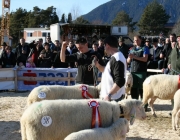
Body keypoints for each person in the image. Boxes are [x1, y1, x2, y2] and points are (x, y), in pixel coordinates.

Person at [99, 35, 127, 101]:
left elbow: (120, 81)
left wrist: (109, 95)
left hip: (113, 99)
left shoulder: (117, 58)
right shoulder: (117, 57)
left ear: (107, 45)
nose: (104, 48)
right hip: (112, 98)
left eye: (104, 46)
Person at [127, 35, 149, 103]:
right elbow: (128, 61)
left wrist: (134, 56)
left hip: (141, 71)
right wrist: (129, 58)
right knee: (133, 88)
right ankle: (134, 103)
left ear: (141, 40)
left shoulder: (145, 48)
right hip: (133, 71)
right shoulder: (131, 49)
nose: (136, 41)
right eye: (134, 40)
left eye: (137, 40)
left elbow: (145, 59)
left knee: (142, 88)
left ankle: (144, 104)